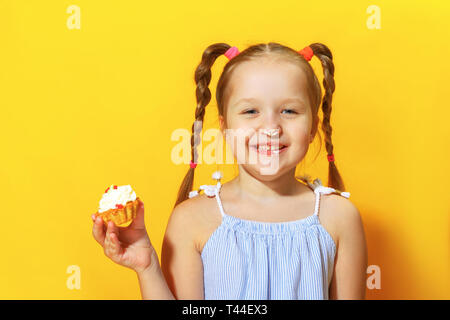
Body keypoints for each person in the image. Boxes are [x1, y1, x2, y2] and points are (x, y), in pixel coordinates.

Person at [92, 42, 368, 300]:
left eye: (289, 111)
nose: (271, 127)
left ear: (312, 128)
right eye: (250, 111)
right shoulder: (192, 220)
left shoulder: (339, 218)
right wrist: (147, 265)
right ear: (224, 128)